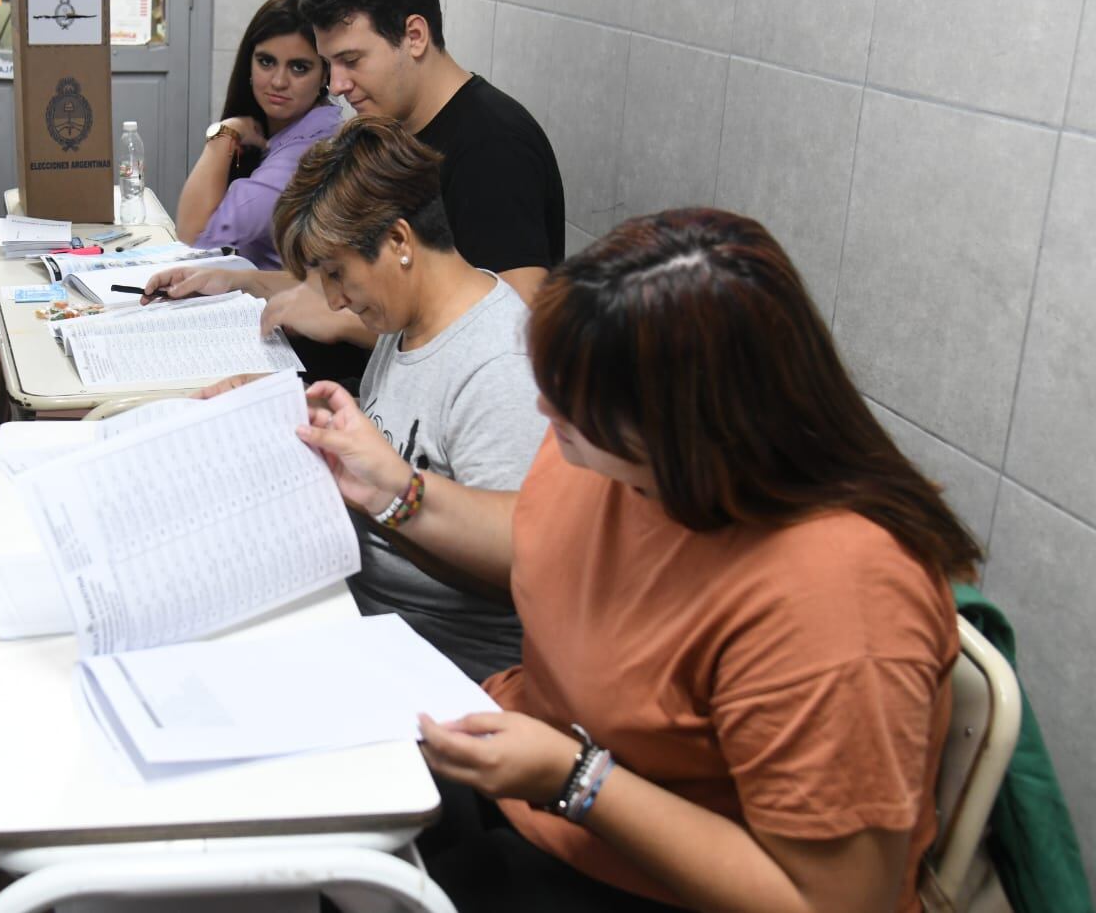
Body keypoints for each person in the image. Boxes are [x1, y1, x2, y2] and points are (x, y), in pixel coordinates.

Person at [297, 209, 977, 913]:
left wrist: (578, 777)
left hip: (628, 870)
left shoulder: (838, 596)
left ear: (690, 423)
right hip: (534, 794)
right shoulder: (611, 458)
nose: (542, 408)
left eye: (572, 402)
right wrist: (395, 490)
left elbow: (831, 900)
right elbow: (538, 542)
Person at [151, 0, 566, 381]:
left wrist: (344, 322)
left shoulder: (494, 145)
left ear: (414, 35)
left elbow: (514, 332)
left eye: (352, 60)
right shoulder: (389, 130)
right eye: (331, 64)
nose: (337, 85)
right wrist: (241, 283)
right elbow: (353, 284)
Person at [264, 116, 547, 679]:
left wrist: (391, 503)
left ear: (398, 241)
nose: (336, 301)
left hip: (448, 660)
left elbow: (526, 558)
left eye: (337, 273)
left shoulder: (498, 365)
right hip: (368, 614)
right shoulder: (407, 321)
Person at [175, 0, 342, 269]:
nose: (278, 81)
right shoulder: (312, 124)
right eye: (266, 62)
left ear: (325, 73)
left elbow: (193, 232)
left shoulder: (302, 159)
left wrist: (225, 133)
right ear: (249, 63)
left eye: (299, 68)